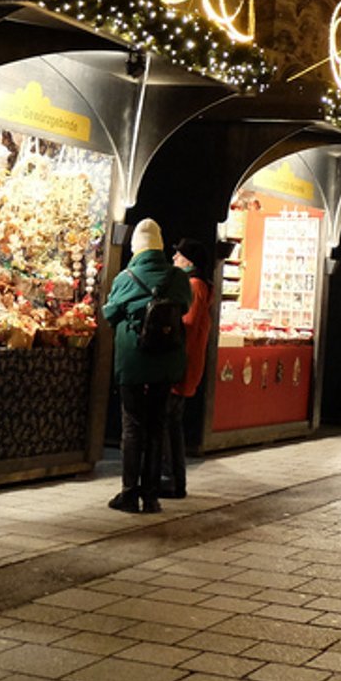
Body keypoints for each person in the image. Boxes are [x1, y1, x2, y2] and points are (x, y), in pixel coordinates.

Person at [104, 218, 192, 513]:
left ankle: (129, 493)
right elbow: (186, 306)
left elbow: (110, 314)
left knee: (132, 426)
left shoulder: (126, 277)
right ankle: (151, 496)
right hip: (166, 361)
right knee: (157, 425)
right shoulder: (177, 278)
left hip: (133, 362)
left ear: (136, 248)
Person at [161, 240, 214, 499]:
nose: (173, 258)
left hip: (181, 364)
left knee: (168, 423)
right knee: (172, 422)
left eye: (178, 255)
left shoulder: (193, 286)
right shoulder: (201, 286)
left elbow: (188, 324)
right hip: (188, 365)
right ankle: (173, 480)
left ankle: (170, 479)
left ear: (189, 262)